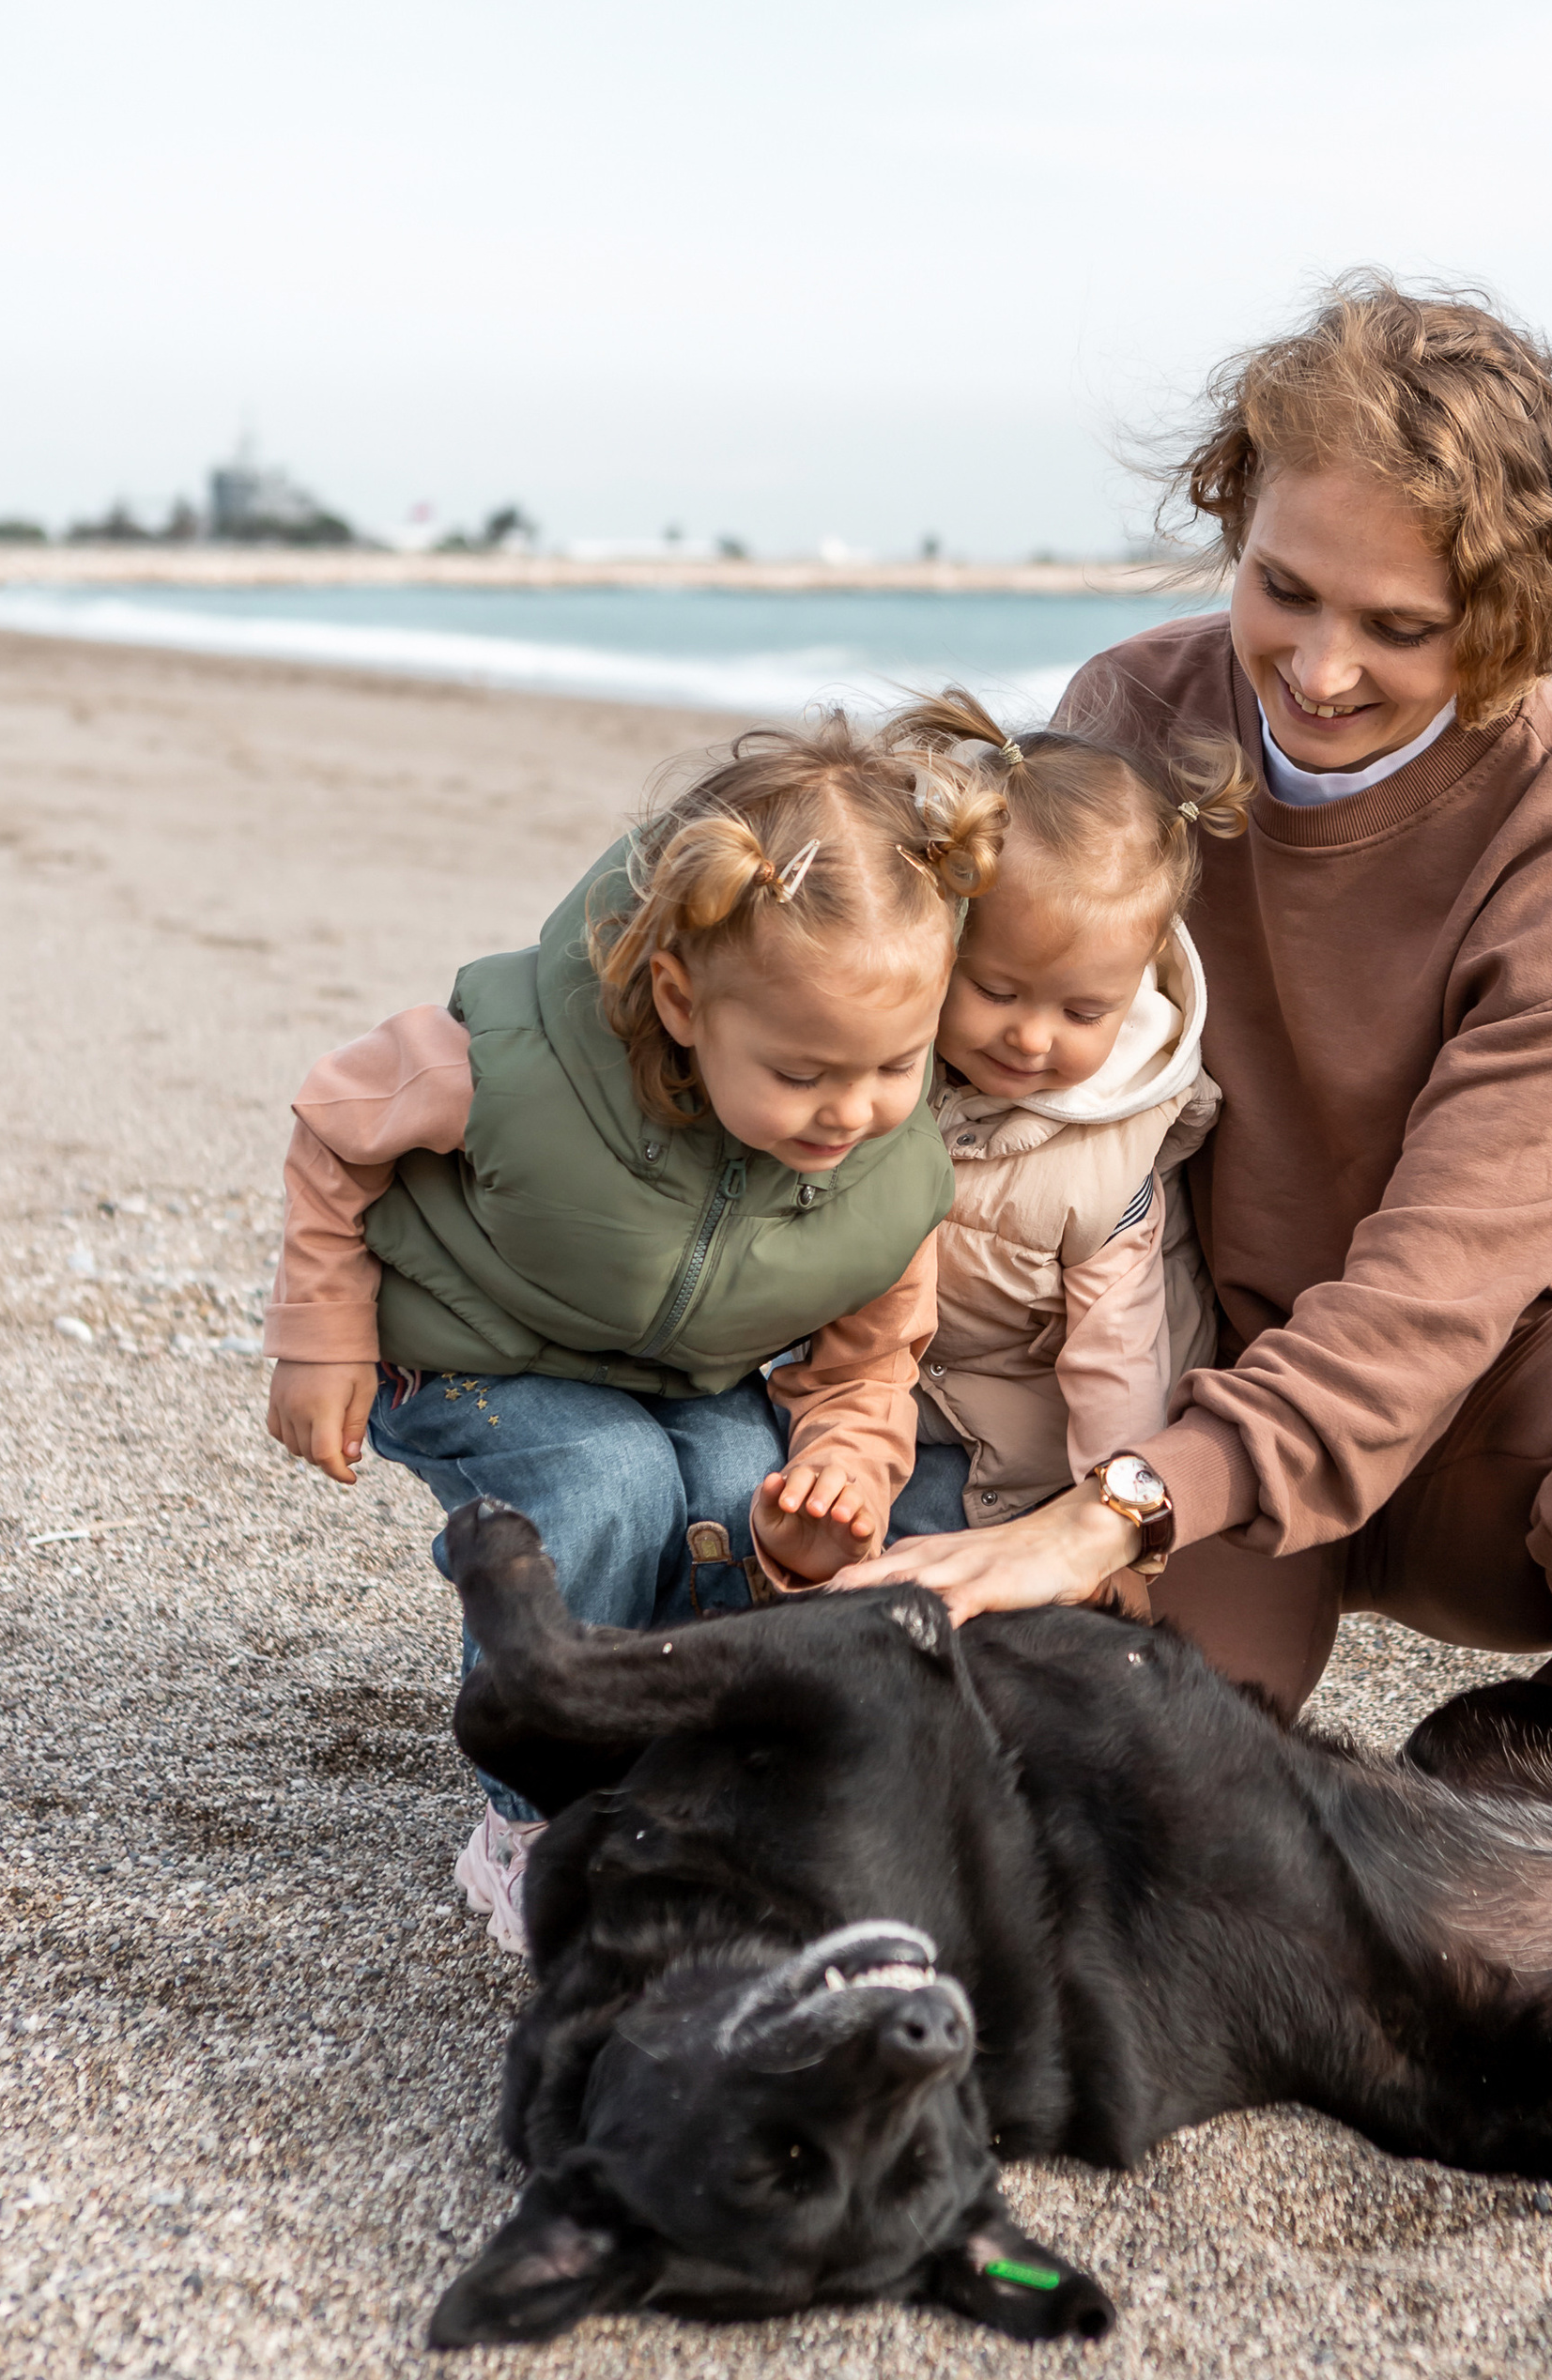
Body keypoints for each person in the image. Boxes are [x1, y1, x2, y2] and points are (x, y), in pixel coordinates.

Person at [836, 275, 1552, 1765]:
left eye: (1400, 627)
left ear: (1508, 625)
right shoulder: (1131, 714)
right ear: (1236, 525)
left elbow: (1444, 1280)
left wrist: (1125, 1508)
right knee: (1138, 1788)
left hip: (1479, 1419)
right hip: (1179, 1373)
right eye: (1286, 591)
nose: (1320, 672)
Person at [261, 718, 1006, 1945]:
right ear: (680, 998)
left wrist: (844, 1473)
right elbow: (337, 1126)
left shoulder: (893, 1169)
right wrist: (319, 1334)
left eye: (893, 1065)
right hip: (472, 1347)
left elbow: (871, 1367)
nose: (853, 1110)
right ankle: (535, 1813)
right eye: (805, 1071)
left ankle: (678, 1777)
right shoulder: (517, 1066)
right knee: (609, 1483)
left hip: (677, 1371)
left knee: (729, 1479)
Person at [884, 686, 1249, 1534]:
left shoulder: (1108, 1160)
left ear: (1138, 980)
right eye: (996, 990)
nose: (1031, 1038)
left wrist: (1111, 1526)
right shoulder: (895, 1059)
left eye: (1082, 1014)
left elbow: (1116, 1362)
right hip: (885, 1389)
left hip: (1029, 1446)